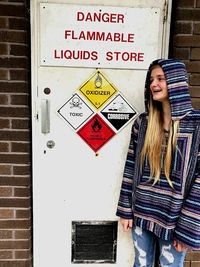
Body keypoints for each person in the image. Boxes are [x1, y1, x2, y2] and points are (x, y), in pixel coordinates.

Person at [116, 58, 200, 267]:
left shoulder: (196, 125)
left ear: (176, 82)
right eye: (152, 79)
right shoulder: (143, 124)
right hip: (142, 212)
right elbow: (131, 166)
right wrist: (126, 208)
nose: (154, 84)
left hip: (175, 218)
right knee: (141, 263)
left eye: (161, 78)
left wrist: (188, 227)